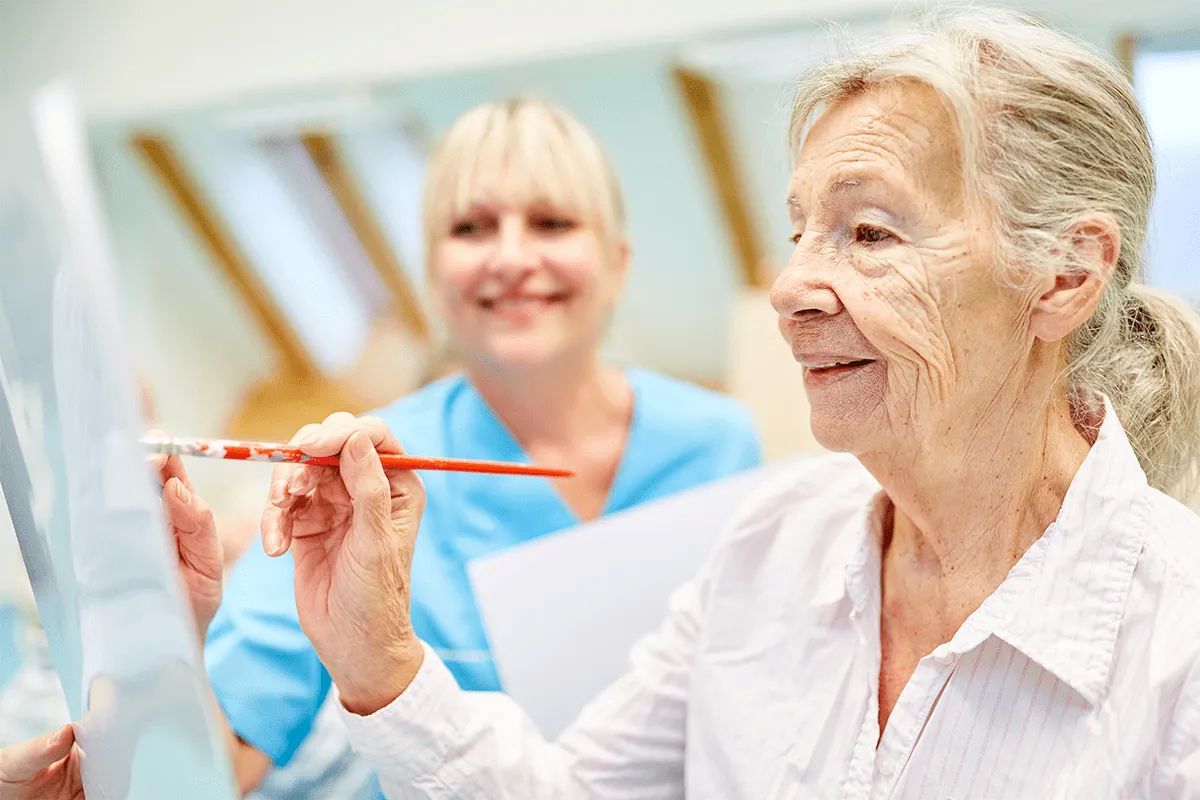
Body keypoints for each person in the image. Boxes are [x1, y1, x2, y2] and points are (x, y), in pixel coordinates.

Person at [255, 8, 1200, 798]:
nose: (791, 287)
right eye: (800, 229)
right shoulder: (767, 546)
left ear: (1064, 275)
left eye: (867, 231)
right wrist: (379, 661)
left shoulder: (1175, 644)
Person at [204, 98, 762, 792]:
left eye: (552, 222)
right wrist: (169, 609)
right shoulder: (356, 473)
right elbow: (222, 756)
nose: (511, 256)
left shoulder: (718, 446)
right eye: (471, 228)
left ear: (617, 263)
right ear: (433, 276)